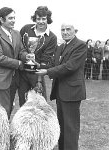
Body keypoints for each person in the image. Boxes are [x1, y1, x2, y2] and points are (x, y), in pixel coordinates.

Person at [36, 22, 87, 150]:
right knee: (62, 126)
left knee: (71, 128)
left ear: (75, 31)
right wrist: (36, 64)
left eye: (68, 29)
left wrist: (47, 72)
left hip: (72, 92)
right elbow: (52, 64)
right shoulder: (61, 46)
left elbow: (70, 67)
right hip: (60, 92)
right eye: (62, 29)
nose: (65, 32)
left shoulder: (80, 45)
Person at [0, 7, 25, 118]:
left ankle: (4, 133)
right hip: (1, 79)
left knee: (9, 109)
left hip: (14, 79)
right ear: (2, 20)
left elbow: (21, 50)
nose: (13, 20)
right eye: (10, 18)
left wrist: (26, 56)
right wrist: (18, 64)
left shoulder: (17, 34)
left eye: (14, 18)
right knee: (1, 112)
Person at [18, 6, 57, 106]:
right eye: (38, 18)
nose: (40, 21)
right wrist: (25, 56)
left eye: (43, 19)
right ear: (35, 18)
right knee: (23, 104)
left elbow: (46, 59)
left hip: (37, 74)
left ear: (47, 19)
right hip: (22, 72)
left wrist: (39, 75)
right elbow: (18, 47)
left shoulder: (52, 37)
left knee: (40, 105)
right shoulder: (26, 29)